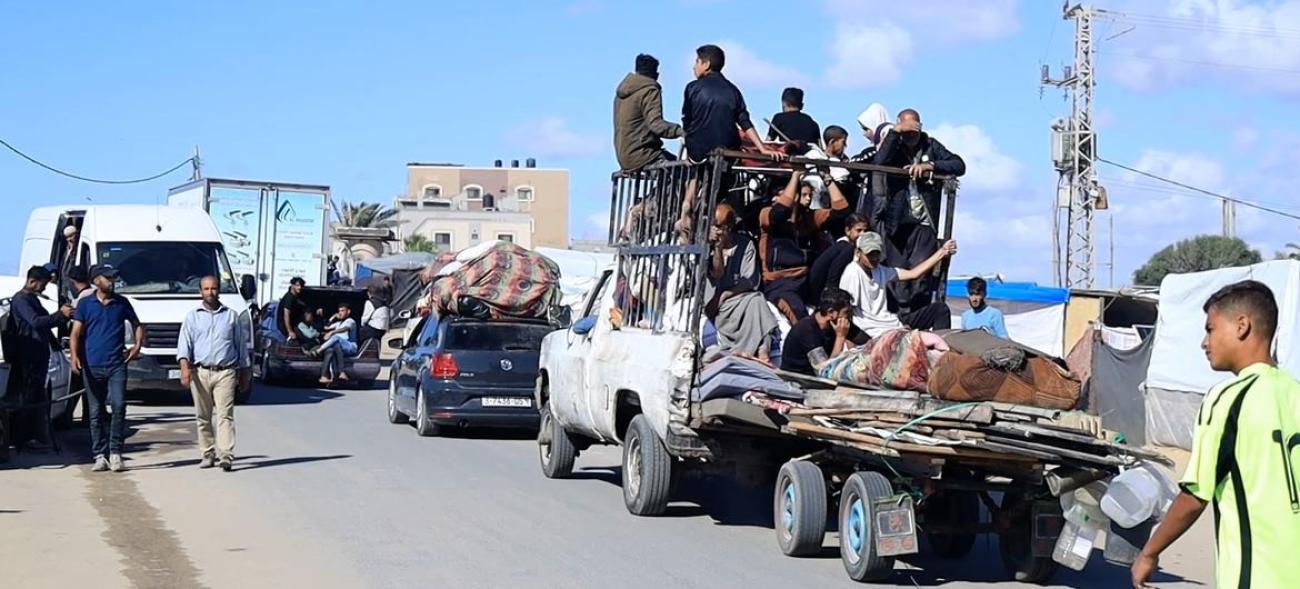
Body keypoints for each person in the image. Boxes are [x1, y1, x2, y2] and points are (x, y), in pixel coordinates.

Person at [1133, 280, 1300, 589]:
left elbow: (1196, 494)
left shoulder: (1228, 398)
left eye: (1210, 329)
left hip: (1258, 578)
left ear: (1242, 326)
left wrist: (1149, 553)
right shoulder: (1294, 393)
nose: (1203, 342)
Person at [678, 44, 784, 235]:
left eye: (696, 62)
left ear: (706, 64)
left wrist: (691, 144)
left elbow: (687, 120)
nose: (694, 66)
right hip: (726, 151)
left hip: (698, 148)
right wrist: (762, 148)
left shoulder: (692, 88)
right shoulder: (733, 90)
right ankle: (711, 215)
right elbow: (744, 121)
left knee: (694, 170)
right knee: (718, 189)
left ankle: (688, 201)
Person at [871, 108, 965, 310]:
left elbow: (959, 165)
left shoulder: (930, 144)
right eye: (906, 131)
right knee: (896, 275)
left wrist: (930, 165)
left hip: (923, 222)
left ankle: (919, 317)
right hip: (897, 222)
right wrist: (896, 132)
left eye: (913, 130)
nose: (910, 136)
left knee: (921, 274)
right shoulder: (894, 146)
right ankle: (896, 318)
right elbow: (879, 162)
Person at [71, 264, 143, 473]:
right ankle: (99, 455)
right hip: (92, 365)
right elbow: (76, 333)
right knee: (95, 412)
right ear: (96, 281)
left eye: (113, 278)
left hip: (116, 364)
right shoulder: (85, 304)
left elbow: (137, 324)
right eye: (107, 278)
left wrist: (136, 347)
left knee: (119, 406)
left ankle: (116, 452)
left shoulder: (122, 303)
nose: (112, 281)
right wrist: (74, 357)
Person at [176, 276, 251, 472]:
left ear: (219, 290)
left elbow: (241, 347)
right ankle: (208, 453)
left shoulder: (231, 316)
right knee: (203, 416)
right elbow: (184, 346)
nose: (211, 292)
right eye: (207, 289)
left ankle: (226, 454)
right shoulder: (192, 316)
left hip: (225, 372)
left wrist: (245, 374)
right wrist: (184, 370)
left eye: (214, 288)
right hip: (200, 372)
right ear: (200, 291)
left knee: (225, 415)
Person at [759, 169, 851, 324]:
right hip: (781, 283)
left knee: (844, 247)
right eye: (803, 194)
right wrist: (795, 176)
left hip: (807, 279)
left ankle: (830, 293)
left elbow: (842, 212)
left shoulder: (808, 217)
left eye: (810, 195)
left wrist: (827, 178)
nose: (808, 199)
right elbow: (779, 213)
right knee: (799, 315)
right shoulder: (766, 214)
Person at [4, 265, 73, 451]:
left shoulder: (33, 300)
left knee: (35, 398)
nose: (43, 288)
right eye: (42, 284)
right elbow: (36, 322)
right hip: (27, 358)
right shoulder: (21, 300)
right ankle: (22, 439)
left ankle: (32, 436)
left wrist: (63, 315)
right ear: (32, 281)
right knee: (27, 398)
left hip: (38, 356)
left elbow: (46, 320)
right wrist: (60, 315)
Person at [839, 232, 955, 338]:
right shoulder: (852, 272)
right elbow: (846, 309)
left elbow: (913, 274)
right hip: (870, 329)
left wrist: (942, 252)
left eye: (876, 253)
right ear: (858, 253)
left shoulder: (880, 270)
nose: (874, 258)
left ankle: (942, 350)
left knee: (940, 309)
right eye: (870, 254)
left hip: (889, 322)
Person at [705, 204, 777, 361]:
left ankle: (763, 351)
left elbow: (750, 279)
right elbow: (717, 274)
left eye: (719, 226)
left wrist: (726, 294)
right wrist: (717, 247)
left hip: (737, 297)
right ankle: (749, 350)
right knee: (754, 302)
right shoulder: (707, 246)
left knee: (757, 299)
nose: (716, 229)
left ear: (729, 227)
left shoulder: (745, 244)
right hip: (716, 305)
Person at [614, 53, 683, 173]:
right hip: (643, 155)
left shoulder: (621, 94)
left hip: (624, 156)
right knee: (684, 171)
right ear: (656, 74)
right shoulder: (649, 90)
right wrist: (682, 131)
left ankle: (660, 191)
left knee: (672, 170)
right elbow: (656, 125)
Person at [780, 287, 867, 376]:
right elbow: (825, 371)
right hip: (799, 380)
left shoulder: (838, 322)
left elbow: (868, 342)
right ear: (831, 312)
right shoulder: (806, 331)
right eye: (846, 312)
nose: (849, 316)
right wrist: (840, 337)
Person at [806, 213, 870, 305]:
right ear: (848, 230)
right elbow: (833, 277)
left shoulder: (847, 247)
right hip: (819, 297)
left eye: (865, 231)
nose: (862, 234)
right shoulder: (846, 249)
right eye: (858, 230)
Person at [314, 304, 357, 385]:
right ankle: (337, 374)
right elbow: (326, 327)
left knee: (336, 337)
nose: (340, 313)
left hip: (350, 346)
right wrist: (333, 317)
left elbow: (345, 329)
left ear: (348, 312)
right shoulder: (338, 323)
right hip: (340, 346)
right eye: (339, 311)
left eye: (342, 311)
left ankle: (319, 350)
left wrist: (333, 332)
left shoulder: (351, 321)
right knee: (333, 348)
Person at [59, 225, 80, 303]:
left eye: (71, 236)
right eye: (67, 237)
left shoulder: (79, 250)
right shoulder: (65, 251)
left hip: (74, 288)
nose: (69, 239)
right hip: (65, 289)